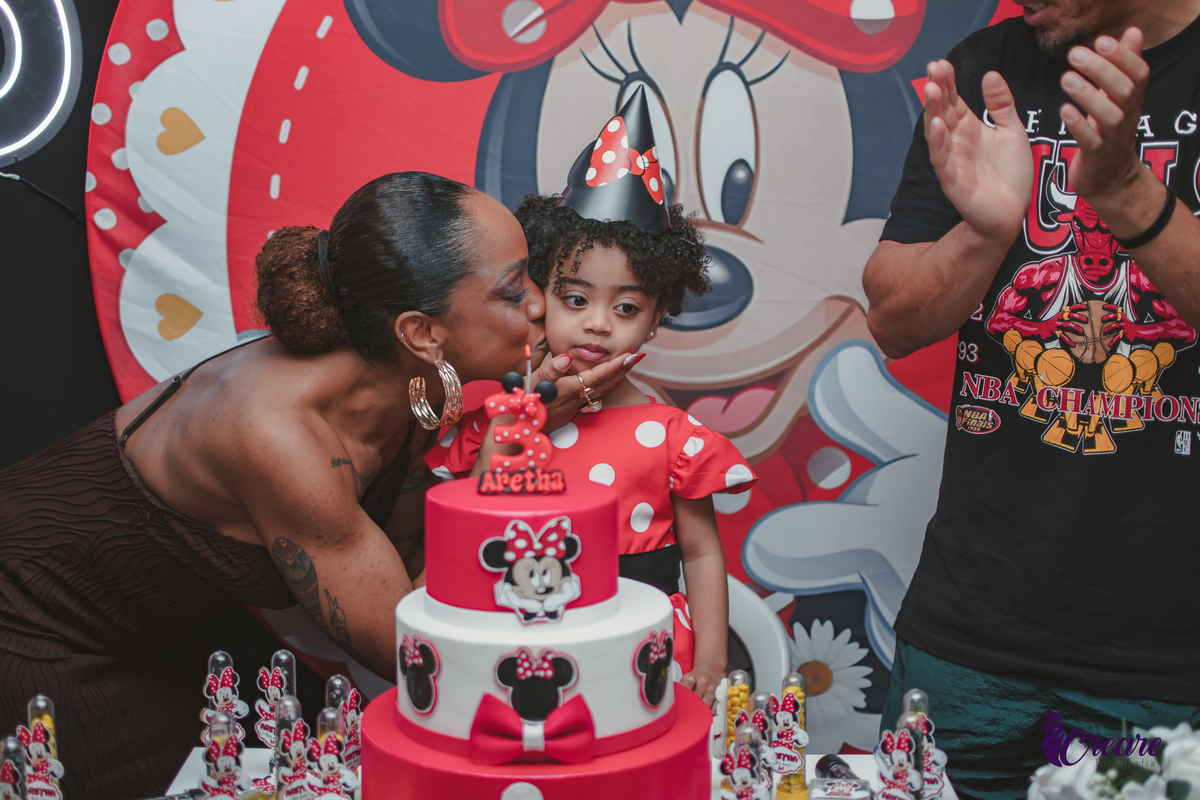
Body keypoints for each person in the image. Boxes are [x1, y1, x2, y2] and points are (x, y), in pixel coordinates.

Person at [0, 172, 640, 797]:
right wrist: (503, 450)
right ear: (422, 334)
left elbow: (410, 563)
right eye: (512, 290)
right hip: (35, 637)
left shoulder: (408, 387)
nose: (539, 303)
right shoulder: (277, 435)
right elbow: (411, 651)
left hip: (167, 642)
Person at [862, 1, 1200, 797]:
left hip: (1163, 668)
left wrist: (1129, 193)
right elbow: (892, 320)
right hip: (966, 639)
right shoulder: (991, 66)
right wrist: (982, 234)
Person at [434, 88, 757, 709]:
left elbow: (700, 552)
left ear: (657, 318)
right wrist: (524, 419)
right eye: (576, 299)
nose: (599, 324)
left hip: (645, 654)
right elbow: (471, 531)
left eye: (627, 307)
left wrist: (713, 662)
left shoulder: (673, 436)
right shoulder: (501, 421)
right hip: (525, 647)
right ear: (539, 298)